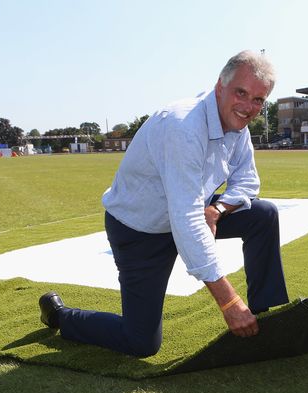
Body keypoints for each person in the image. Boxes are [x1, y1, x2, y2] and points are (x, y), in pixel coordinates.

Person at [38, 51, 289, 357]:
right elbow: (185, 220)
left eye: (258, 100)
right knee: (141, 342)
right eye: (241, 93)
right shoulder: (183, 126)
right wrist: (229, 302)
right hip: (140, 230)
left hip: (187, 213)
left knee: (263, 215)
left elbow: (248, 182)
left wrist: (217, 210)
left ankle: (266, 319)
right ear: (220, 86)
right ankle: (60, 316)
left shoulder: (238, 127)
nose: (249, 107)